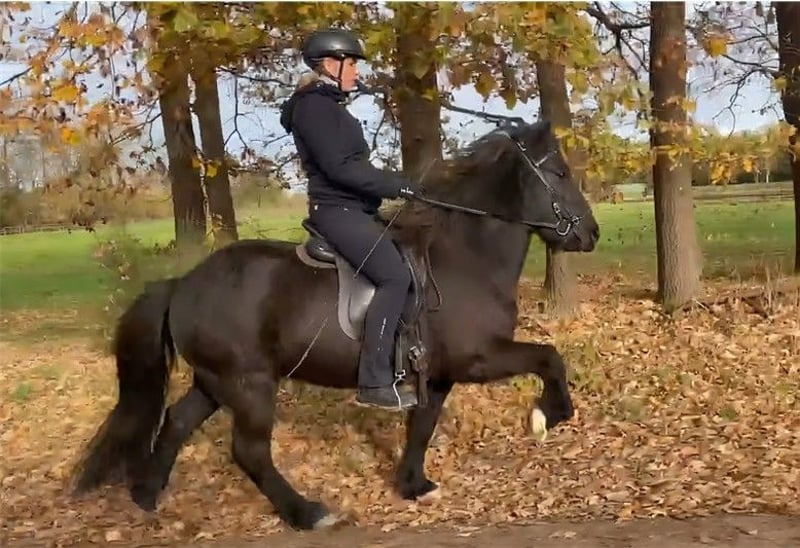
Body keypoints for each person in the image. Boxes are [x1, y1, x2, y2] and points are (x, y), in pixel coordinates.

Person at [279, 28, 421, 411]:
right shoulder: (314, 108)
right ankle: (374, 381)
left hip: (356, 209)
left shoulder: (330, 106)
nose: (357, 71)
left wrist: (398, 184)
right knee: (394, 277)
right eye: (352, 63)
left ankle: (407, 355)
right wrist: (396, 185)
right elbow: (341, 168)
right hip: (336, 212)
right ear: (330, 64)